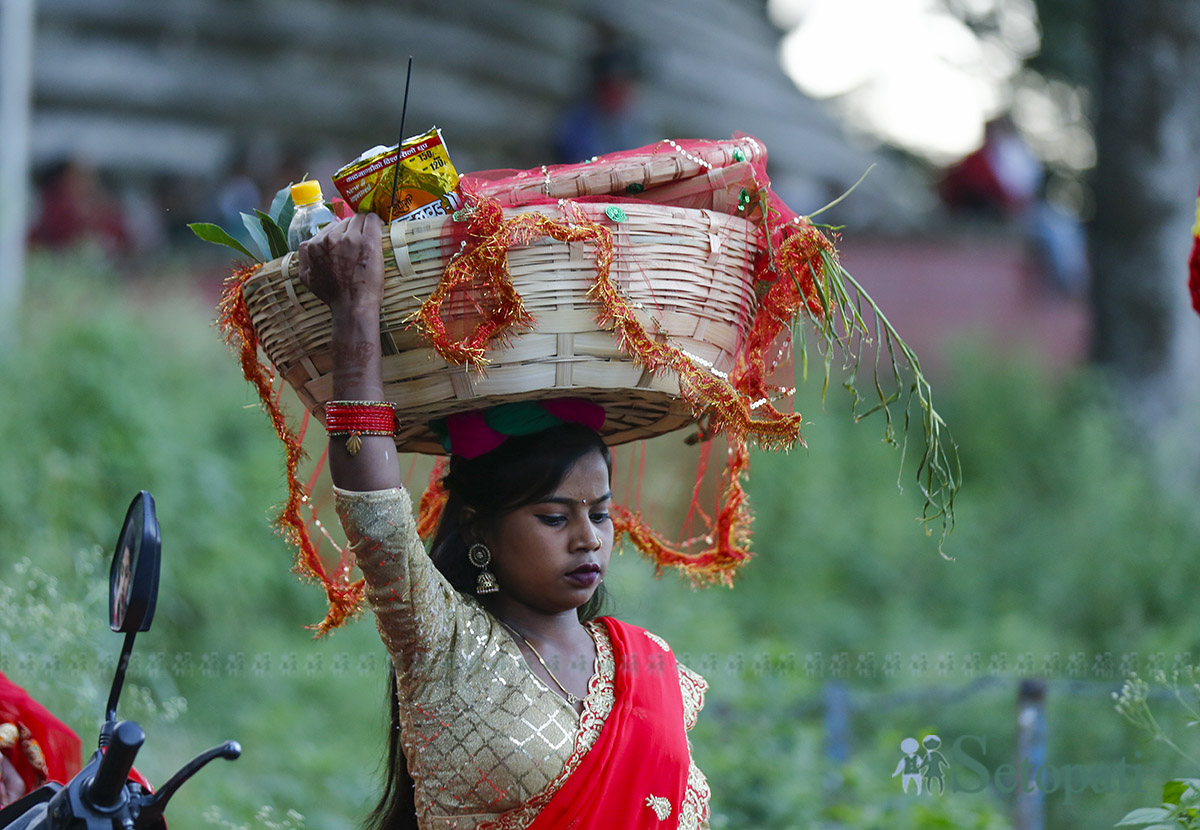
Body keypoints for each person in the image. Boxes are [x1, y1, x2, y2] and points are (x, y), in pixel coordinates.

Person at [298, 211, 711, 829]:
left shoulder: (649, 666)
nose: (587, 538)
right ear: (478, 524)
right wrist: (356, 311)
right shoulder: (444, 643)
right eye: (553, 516)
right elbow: (375, 513)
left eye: (599, 513)